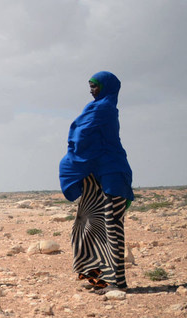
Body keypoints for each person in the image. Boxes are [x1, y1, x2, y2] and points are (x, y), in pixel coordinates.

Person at [59, 71, 134, 291]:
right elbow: (84, 134)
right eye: (90, 85)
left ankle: (118, 283)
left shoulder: (104, 108)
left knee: (112, 229)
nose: (91, 90)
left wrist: (73, 157)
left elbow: (82, 135)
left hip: (113, 176)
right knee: (88, 225)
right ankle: (98, 278)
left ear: (106, 87)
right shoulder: (101, 107)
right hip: (100, 176)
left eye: (95, 86)